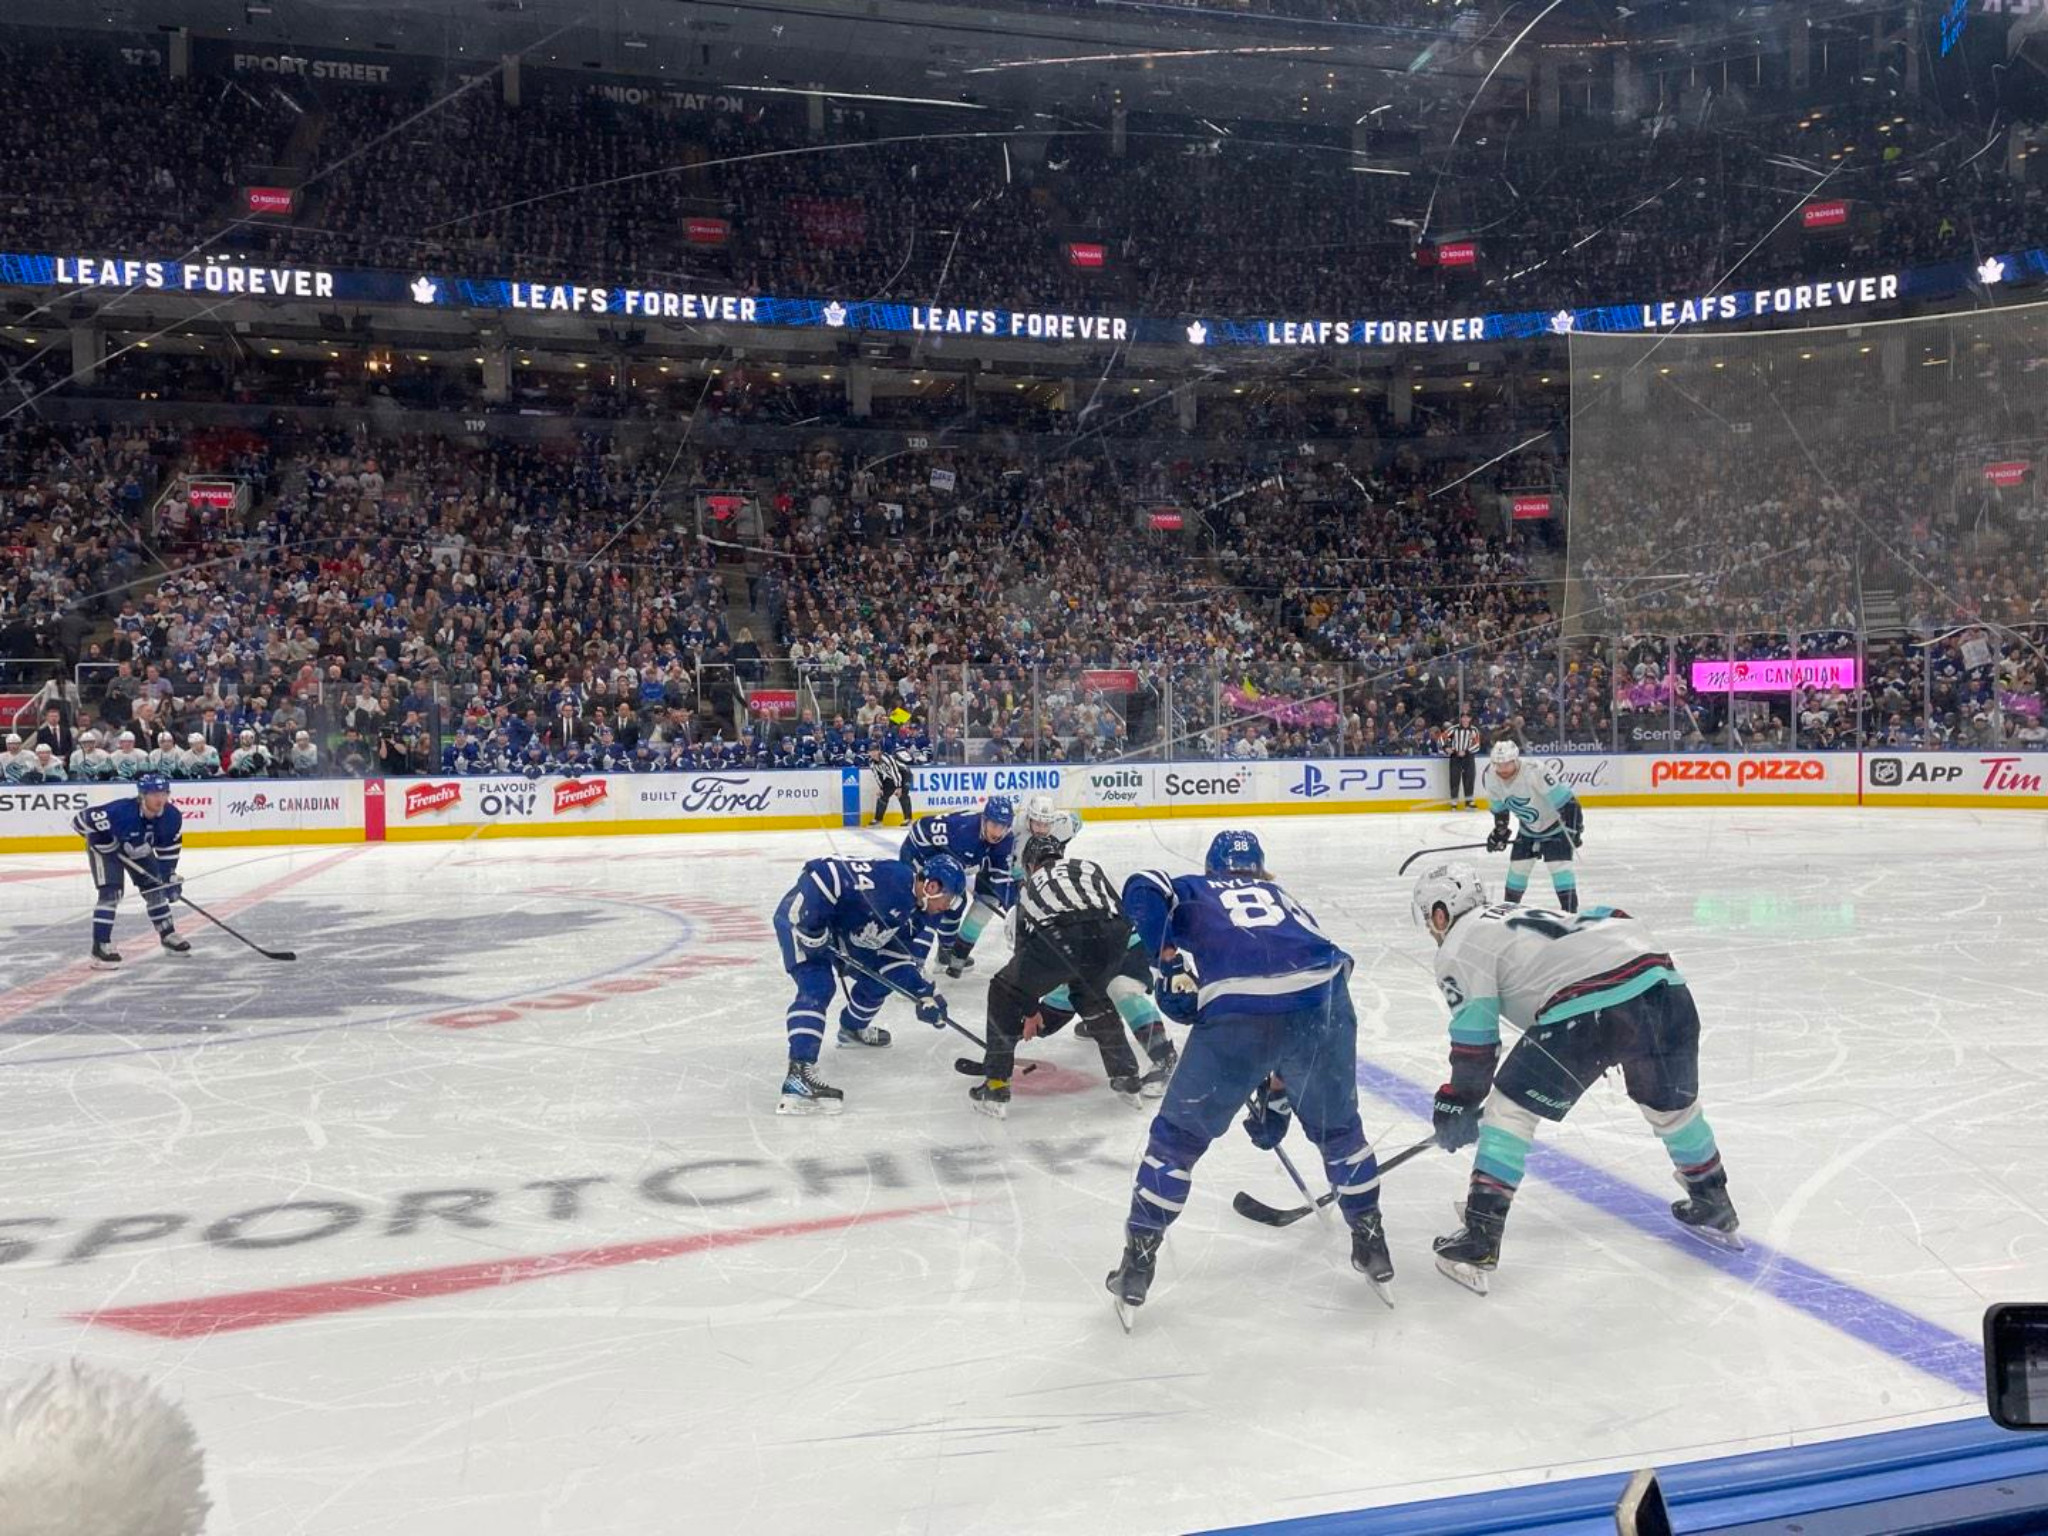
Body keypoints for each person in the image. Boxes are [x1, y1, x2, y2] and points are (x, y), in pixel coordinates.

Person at [1411, 861, 1740, 1295]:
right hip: (1663, 984)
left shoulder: (1459, 943)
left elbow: (1476, 1047)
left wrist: (1459, 1102)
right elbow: (1613, 916)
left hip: (1590, 1005)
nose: (1433, 932)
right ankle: (1713, 1200)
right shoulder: (1512, 915)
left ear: (1440, 912)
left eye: (1431, 922)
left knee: (1508, 1111)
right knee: (1671, 1107)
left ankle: (1481, 1236)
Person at [1107, 830, 1392, 1320]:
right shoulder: (1284, 898)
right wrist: (1280, 1094)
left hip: (1240, 1010)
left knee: (1176, 1142)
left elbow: (1141, 885)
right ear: (1261, 868)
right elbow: (1294, 995)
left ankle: (1139, 1263)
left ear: (1213, 867)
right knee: (1340, 1131)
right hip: (1324, 997)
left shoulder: (1198, 888)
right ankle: (1372, 1242)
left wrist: (1167, 962)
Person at [969, 834, 1173, 1118]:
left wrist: (1028, 1011)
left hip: (1064, 937)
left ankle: (996, 1087)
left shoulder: (1029, 888)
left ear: (1030, 865)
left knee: (1001, 989)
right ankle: (1126, 1079)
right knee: (1094, 997)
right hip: (1114, 937)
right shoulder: (1088, 868)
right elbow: (1119, 913)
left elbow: (1020, 975)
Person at [771, 852, 967, 1115]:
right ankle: (798, 1076)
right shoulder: (893, 879)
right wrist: (812, 928)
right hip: (800, 921)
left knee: (879, 981)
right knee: (817, 986)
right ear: (933, 886)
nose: (948, 906)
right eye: (949, 898)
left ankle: (852, 1029)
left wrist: (924, 993)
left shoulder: (922, 913)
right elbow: (823, 873)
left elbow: (894, 960)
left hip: (845, 935)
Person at [69, 772, 189, 967]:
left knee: (155, 890)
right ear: (142, 795)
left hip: (140, 850)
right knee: (111, 894)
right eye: (154, 794)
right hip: (107, 851)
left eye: (164, 793)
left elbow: (168, 853)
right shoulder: (121, 811)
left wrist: (169, 878)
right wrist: (104, 841)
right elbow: (79, 821)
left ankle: (168, 935)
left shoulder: (172, 816)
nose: (160, 799)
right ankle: (100, 946)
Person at [900, 796, 1016, 978]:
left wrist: (1012, 911)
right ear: (984, 820)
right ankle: (912, 963)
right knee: (932, 907)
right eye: (994, 825)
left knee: (957, 904)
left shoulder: (1005, 840)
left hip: (949, 866)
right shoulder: (962, 831)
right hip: (919, 858)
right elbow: (920, 828)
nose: (998, 832)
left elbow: (1001, 880)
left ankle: (945, 951)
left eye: (1003, 827)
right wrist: (920, 868)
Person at [1481, 740, 1584, 911]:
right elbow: (1500, 810)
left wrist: (1574, 830)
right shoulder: (1491, 776)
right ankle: (1508, 913)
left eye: (1506, 764)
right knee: (1517, 872)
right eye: (1498, 765)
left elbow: (1570, 803)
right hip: (1528, 830)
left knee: (1560, 870)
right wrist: (1500, 832)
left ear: (1515, 760)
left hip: (1555, 828)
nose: (1502, 770)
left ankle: (1570, 913)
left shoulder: (1536, 771)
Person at [869, 740, 915, 826]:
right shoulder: (871, 763)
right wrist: (881, 788)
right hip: (892, 777)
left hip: (904, 774)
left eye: (875, 750)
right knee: (883, 796)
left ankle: (908, 819)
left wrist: (899, 787)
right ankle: (878, 819)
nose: (873, 753)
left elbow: (896, 772)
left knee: (902, 795)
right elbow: (877, 776)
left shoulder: (886, 758)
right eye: (871, 751)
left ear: (879, 751)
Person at [1443, 712, 1482, 809]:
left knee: (1469, 778)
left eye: (1467, 717)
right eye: (1463, 717)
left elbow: (1477, 744)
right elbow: (1442, 738)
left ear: (1470, 719)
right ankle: (1454, 802)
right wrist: (1446, 748)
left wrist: (1467, 751)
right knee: (1454, 778)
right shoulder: (1454, 729)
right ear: (1461, 719)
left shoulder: (1474, 730)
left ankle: (1469, 802)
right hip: (1455, 757)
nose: (1465, 719)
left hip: (1468, 757)